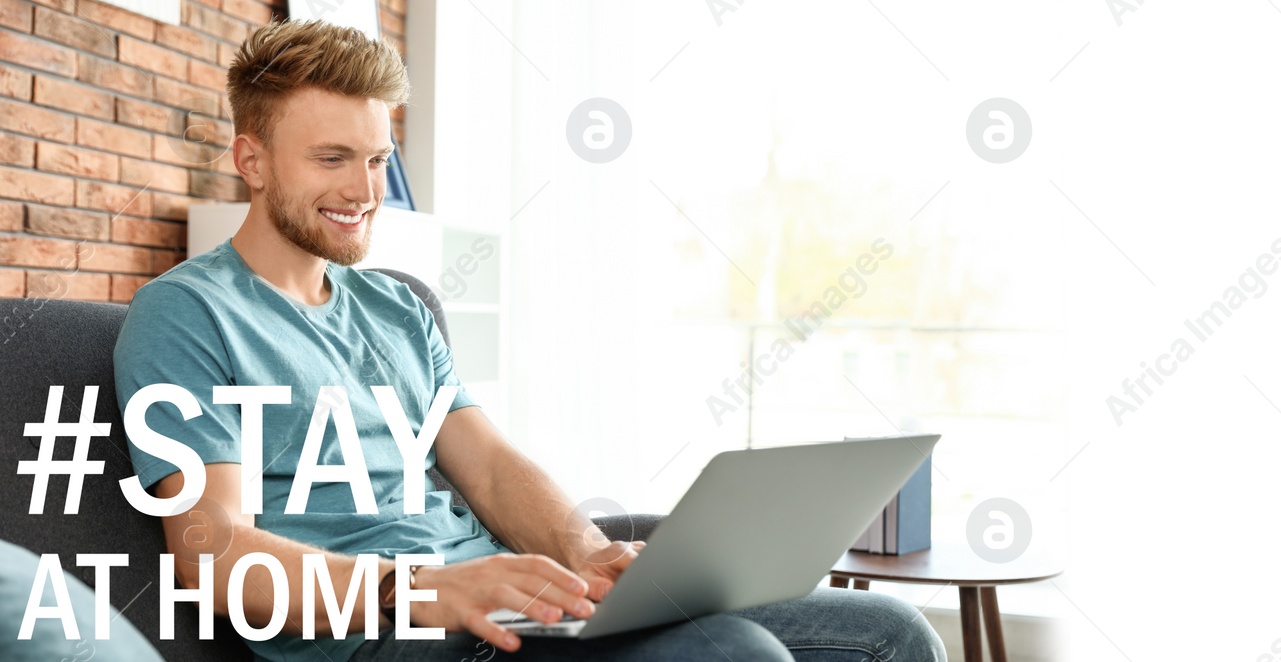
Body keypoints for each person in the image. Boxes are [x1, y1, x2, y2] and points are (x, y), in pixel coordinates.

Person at [112, 19, 944, 662]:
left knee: (893, 632)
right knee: (732, 653)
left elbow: (493, 467)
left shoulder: (396, 308)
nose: (365, 190)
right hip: (392, 637)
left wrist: (589, 551)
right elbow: (215, 560)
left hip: (504, 607)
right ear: (250, 162)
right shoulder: (186, 315)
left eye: (377, 158)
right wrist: (431, 587)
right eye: (333, 158)